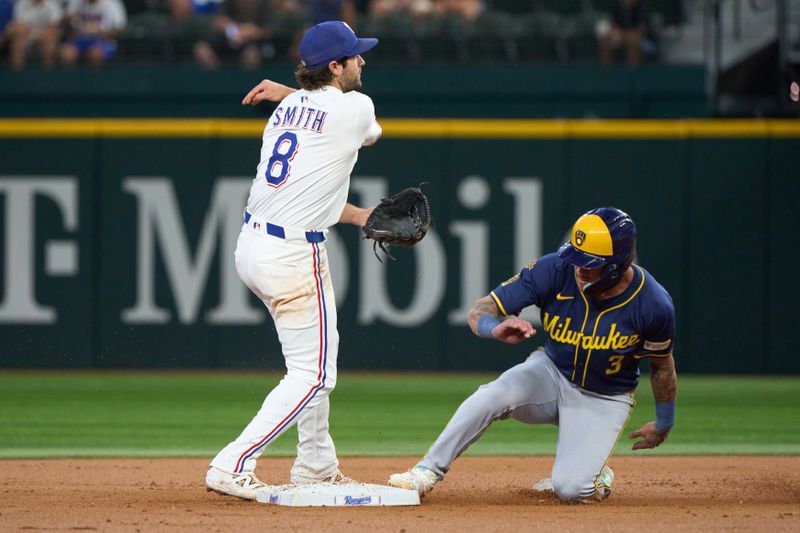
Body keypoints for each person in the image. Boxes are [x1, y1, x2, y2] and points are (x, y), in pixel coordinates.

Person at [389, 207, 678, 503]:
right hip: (550, 374)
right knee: (491, 395)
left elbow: (662, 367)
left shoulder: (653, 304)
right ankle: (426, 472)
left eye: (590, 264)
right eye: (576, 256)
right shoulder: (554, 269)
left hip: (604, 397)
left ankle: (597, 475)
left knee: (572, 489)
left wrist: (664, 422)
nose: (579, 268)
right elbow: (480, 310)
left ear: (617, 264)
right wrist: (494, 328)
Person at [205, 20, 381, 501]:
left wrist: (293, 95)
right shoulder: (356, 106)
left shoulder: (283, 113)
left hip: (256, 244)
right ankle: (233, 462)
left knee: (307, 363)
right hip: (292, 256)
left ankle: (316, 466)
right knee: (314, 373)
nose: (362, 61)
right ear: (335, 66)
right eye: (355, 56)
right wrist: (295, 95)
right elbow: (370, 134)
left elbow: (310, 191)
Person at [60, 0, 127, 66]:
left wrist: (99, 32)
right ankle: (69, 76)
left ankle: (95, 76)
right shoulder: (76, 2)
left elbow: (120, 29)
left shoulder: (112, 3)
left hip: (103, 41)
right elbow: (66, 25)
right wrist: (68, 20)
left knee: (95, 53)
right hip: (79, 40)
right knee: (66, 53)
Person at [7, 0, 62, 69]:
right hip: (26, 36)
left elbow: (53, 27)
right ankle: (18, 74)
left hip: (45, 36)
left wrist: (38, 35)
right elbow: (20, 26)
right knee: (18, 40)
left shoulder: (53, 5)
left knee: (50, 40)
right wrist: (32, 34)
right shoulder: (22, 4)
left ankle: (48, 75)